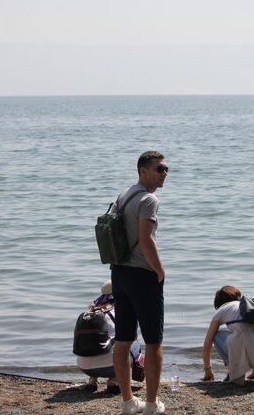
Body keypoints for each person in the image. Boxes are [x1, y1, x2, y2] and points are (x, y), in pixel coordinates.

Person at [111, 151, 168, 415]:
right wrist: (160, 270)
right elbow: (146, 240)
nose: (164, 173)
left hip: (120, 273)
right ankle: (151, 405)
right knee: (154, 342)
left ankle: (128, 402)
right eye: (159, 169)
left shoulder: (124, 195)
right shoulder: (148, 199)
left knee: (123, 340)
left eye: (166, 169)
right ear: (143, 171)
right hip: (142, 275)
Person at [75, 280, 142, 393]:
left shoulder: (90, 312)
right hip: (111, 366)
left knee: (94, 341)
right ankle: (114, 381)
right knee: (134, 343)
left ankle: (92, 381)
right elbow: (132, 337)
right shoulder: (122, 310)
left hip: (84, 366)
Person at [202, 286, 254, 385]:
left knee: (217, 335)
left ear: (218, 302)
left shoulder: (222, 309)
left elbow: (207, 345)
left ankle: (233, 371)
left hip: (248, 344)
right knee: (247, 332)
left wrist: (207, 370)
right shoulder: (250, 306)